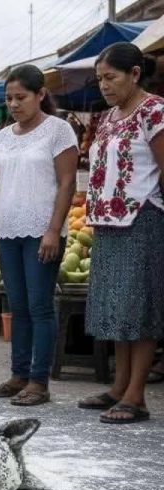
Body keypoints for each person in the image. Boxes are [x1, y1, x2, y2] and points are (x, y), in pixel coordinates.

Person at [79, 42, 164, 423]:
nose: (104, 85)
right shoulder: (109, 117)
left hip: (143, 219)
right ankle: (119, 386)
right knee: (118, 307)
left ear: (134, 74)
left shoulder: (155, 111)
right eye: (99, 79)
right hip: (108, 222)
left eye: (110, 77)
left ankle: (136, 396)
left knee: (140, 307)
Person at [0, 65, 79, 406]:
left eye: (20, 97)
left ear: (40, 95)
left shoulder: (59, 130)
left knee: (40, 307)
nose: (13, 104)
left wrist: (53, 230)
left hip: (43, 231)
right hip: (8, 231)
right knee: (17, 306)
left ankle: (39, 381)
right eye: (9, 98)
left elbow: (67, 183)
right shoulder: (3, 137)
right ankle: (18, 375)